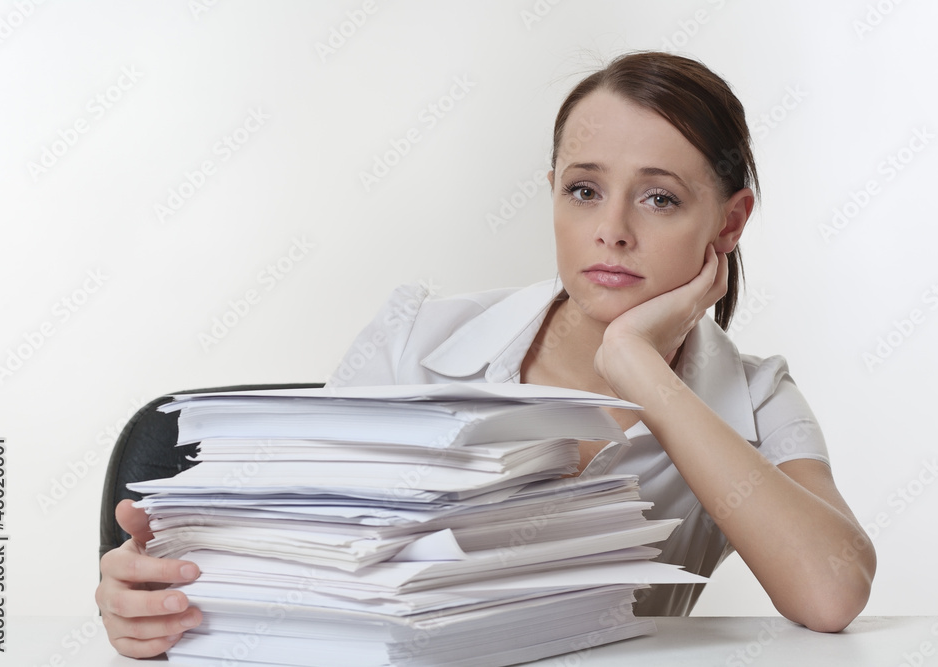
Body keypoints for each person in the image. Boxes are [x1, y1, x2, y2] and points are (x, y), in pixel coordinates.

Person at [96, 51, 876, 658]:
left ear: (729, 223)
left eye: (659, 197)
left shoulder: (753, 398)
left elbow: (831, 591)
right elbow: (303, 551)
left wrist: (640, 367)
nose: (612, 230)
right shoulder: (416, 340)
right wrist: (149, 595)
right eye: (584, 190)